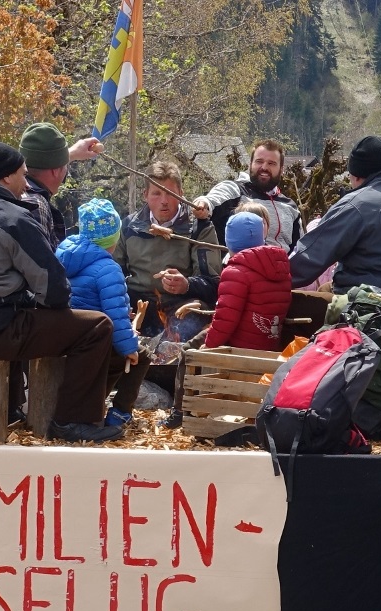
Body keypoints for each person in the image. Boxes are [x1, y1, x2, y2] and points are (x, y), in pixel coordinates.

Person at [0, 134, 122, 443]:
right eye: (22, 174)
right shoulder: (13, 219)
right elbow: (55, 289)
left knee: (11, 313)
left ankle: (12, 409)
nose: (26, 183)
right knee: (97, 326)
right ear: (5, 176)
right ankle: (72, 420)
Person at [288, 135, 381, 305]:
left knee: (294, 307)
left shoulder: (357, 204)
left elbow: (307, 260)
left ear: (356, 175)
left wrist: (268, 277)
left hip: (371, 314)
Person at [54, 197, 150, 429]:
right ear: (114, 238)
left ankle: (96, 402)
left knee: (115, 359)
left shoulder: (63, 254)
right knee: (141, 356)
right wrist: (129, 348)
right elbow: (115, 316)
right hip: (94, 339)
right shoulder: (108, 269)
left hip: (65, 338)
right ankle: (121, 411)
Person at [111, 160, 221, 338]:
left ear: (181, 194)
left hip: (180, 302)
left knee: (193, 318)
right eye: (156, 194)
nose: (164, 201)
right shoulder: (129, 227)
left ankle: (174, 363)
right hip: (138, 301)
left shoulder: (199, 228)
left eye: (170, 194)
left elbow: (213, 284)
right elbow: (114, 273)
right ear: (145, 195)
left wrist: (186, 284)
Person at [192, 139, 303, 251]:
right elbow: (211, 200)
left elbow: (299, 249)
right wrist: (203, 204)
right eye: (259, 161)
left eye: (271, 163)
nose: (264, 167)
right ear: (250, 165)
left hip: (282, 267)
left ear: (281, 169)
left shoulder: (291, 207)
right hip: (237, 266)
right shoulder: (235, 189)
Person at [204, 212, 292, 351]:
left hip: (239, 350)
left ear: (229, 241)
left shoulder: (235, 272)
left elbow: (226, 318)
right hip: (270, 347)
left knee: (189, 351)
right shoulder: (280, 269)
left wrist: (209, 345)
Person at [19, 122, 103, 244]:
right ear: (55, 171)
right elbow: (41, 262)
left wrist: (70, 154)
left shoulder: (6, 186)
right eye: (66, 166)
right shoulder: (35, 206)